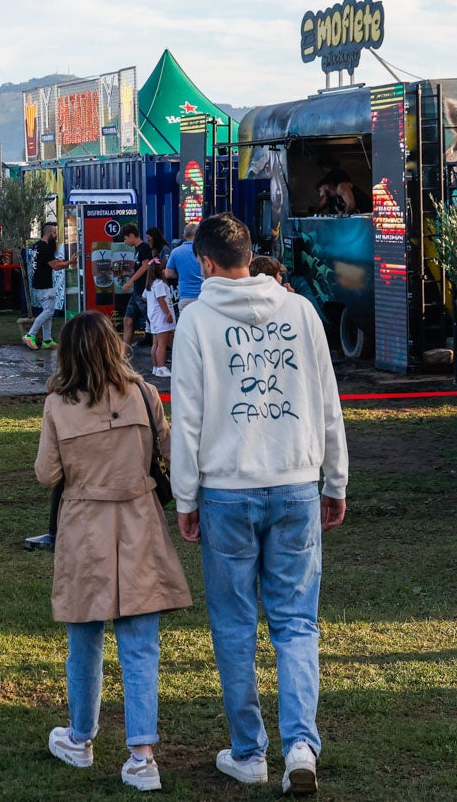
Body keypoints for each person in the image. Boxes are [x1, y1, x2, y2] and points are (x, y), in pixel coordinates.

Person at [170, 212, 349, 795]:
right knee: (297, 623)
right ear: (251, 254)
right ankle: (301, 744)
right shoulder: (301, 312)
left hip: (226, 490)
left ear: (205, 264)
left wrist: (185, 495)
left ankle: (249, 752)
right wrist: (335, 479)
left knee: (234, 625)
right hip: (296, 481)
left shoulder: (196, 321)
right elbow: (328, 400)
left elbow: (188, 420)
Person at [34, 310, 191, 792]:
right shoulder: (143, 393)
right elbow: (169, 449)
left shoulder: (58, 404)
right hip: (139, 520)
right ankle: (142, 756)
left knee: (84, 641)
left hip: (85, 525)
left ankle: (81, 739)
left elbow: (48, 474)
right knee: (141, 644)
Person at [24, 223, 69, 350]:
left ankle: (47, 340)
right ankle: (30, 335)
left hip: (38, 283)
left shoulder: (37, 246)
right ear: (49, 233)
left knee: (47, 312)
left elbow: (49, 261)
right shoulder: (45, 248)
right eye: (55, 234)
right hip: (45, 285)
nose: (55, 236)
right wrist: (69, 262)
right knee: (49, 311)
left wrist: (64, 261)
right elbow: (55, 266)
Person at [119, 224, 152, 348]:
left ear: (132, 235)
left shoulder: (143, 248)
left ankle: (167, 346)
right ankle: (125, 350)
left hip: (143, 291)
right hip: (137, 291)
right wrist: (127, 274)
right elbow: (139, 268)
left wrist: (130, 281)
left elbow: (145, 266)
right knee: (127, 320)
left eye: (125, 238)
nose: (125, 241)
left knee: (153, 321)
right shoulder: (138, 250)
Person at [144, 260, 175, 377]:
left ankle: (156, 367)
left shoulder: (150, 285)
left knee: (156, 343)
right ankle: (161, 368)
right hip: (161, 317)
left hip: (154, 317)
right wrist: (168, 314)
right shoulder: (160, 285)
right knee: (162, 344)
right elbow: (161, 299)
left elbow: (144, 297)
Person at [165, 223, 203, 313]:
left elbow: (168, 274)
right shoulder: (203, 250)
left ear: (184, 235)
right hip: (203, 296)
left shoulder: (176, 252)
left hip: (185, 296)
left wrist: (181, 273)